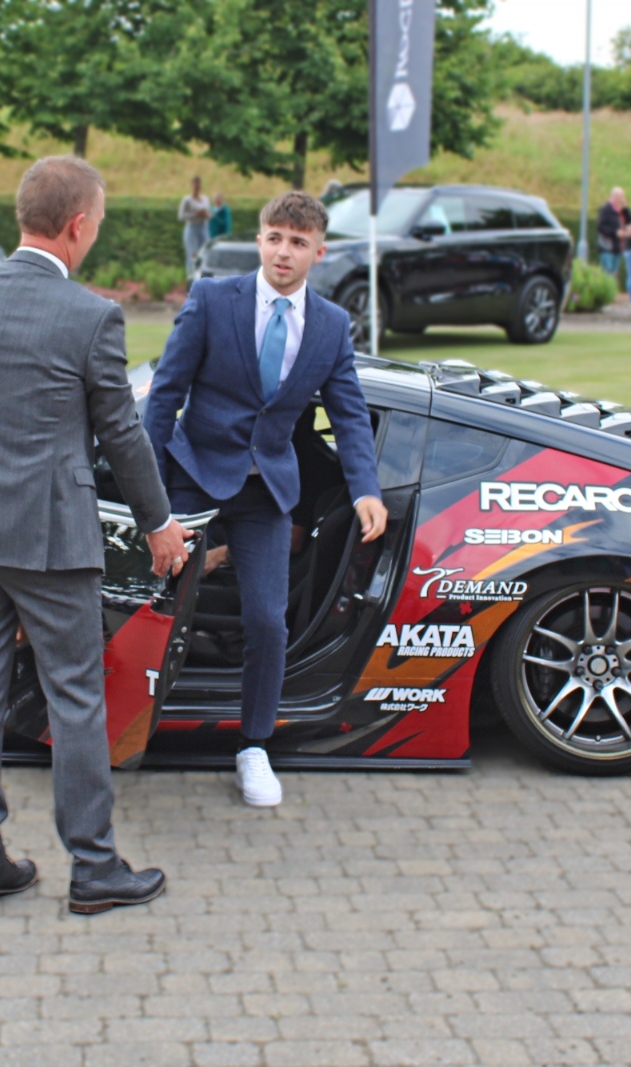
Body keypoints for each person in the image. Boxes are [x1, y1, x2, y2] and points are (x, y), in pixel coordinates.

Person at [0, 156, 189, 915]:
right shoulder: (91, 316)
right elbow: (122, 434)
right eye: (96, 225)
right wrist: (159, 523)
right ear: (77, 225)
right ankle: (94, 869)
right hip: (48, 539)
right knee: (74, 697)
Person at [143, 191, 386, 808]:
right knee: (153, 607)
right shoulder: (211, 299)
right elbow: (164, 396)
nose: (284, 252)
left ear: (318, 252)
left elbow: (349, 415)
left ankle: (254, 747)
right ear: (259, 240)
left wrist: (366, 490)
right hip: (192, 475)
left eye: (298, 242)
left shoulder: (330, 325)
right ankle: (127, 718)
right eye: (274, 238)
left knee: (267, 622)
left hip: (268, 490)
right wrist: (150, 498)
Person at [178, 175, 211, 276]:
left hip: (203, 227)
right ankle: (191, 276)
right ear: (192, 185)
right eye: (195, 184)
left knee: (205, 251)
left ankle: (204, 275)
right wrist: (196, 214)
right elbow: (181, 216)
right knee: (192, 254)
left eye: (198, 183)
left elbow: (209, 213)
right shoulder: (187, 200)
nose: (197, 186)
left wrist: (206, 214)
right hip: (192, 227)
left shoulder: (205, 199)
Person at [595, 187, 627, 278]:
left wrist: (625, 208)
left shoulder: (621, 211)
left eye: (622, 196)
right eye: (619, 196)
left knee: (614, 275)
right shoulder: (605, 209)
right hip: (606, 247)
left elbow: (629, 222)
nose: (621, 199)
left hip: (617, 248)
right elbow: (600, 227)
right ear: (613, 196)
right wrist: (615, 233)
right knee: (607, 273)